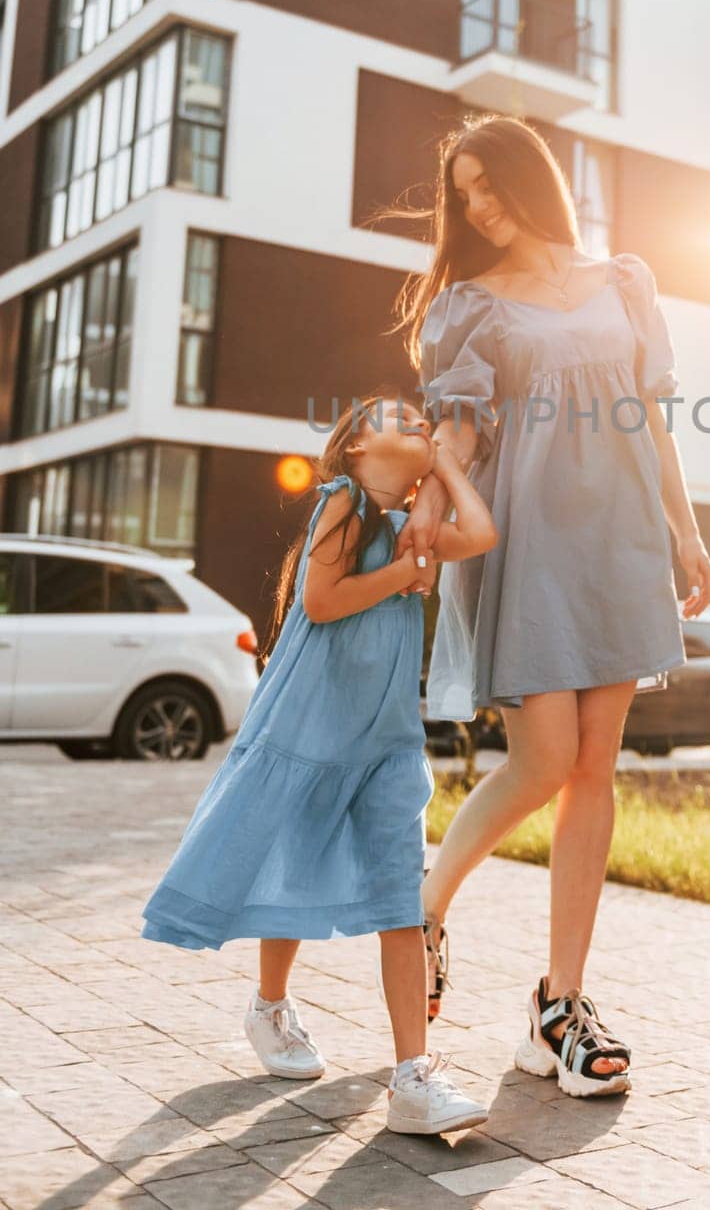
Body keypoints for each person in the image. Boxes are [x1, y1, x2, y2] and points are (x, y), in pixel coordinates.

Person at [387, 116, 710, 1100]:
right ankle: (426, 904)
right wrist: (430, 515)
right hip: (530, 544)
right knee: (541, 760)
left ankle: (559, 1006)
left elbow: (648, 415)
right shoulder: (469, 307)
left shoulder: (622, 280)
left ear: (532, 181)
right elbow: (454, 427)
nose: (479, 208)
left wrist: (685, 531)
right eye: (465, 195)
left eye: (490, 186)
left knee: (593, 767)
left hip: (619, 541)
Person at [141, 395, 497, 1136]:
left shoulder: (412, 527)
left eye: (419, 420)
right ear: (357, 448)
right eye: (396, 420)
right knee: (291, 861)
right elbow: (322, 599)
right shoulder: (342, 500)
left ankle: (412, 1077)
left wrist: (445, 470)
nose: (416, 424)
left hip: (386, 738)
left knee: (402, 896)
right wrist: (402, 574)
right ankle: (269, 1005)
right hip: (309, 728)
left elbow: (484, 532)